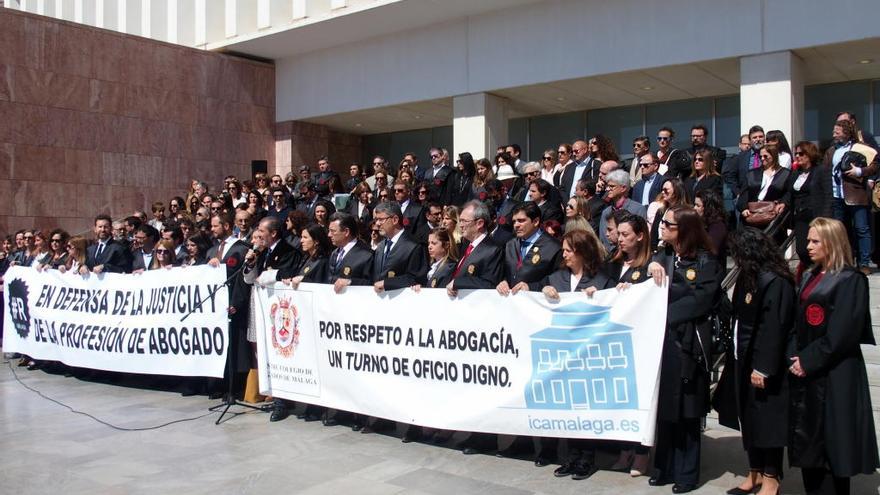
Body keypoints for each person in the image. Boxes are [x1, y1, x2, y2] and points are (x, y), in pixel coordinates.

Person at [788, 217, 880, 494]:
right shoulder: (810, 275)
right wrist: (794, 355)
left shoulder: (851, 281)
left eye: (816, 241)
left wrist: (808, 360)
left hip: (836, 374)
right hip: (807, 371)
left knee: (832, 449)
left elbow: (844, 332)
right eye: (808, 241)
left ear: (832, 242)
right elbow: (797, 321)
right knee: (810, 447)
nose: (809, 246)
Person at [647, 205, 720, 493]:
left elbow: (702, 300)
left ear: (685, 230)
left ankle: (687, 473)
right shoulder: (662, 256)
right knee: (665, 408)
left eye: (668, 224)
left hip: (689, 344)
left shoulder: (706, 260)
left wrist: (663, 312)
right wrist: (650, 267)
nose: (661, 227)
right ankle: (663, 467)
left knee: (688, 412)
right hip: (662, 344)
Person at [723, 227, 795, 495]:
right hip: (742, 356)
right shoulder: (748, 277)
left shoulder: (775, 281)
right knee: (749, 420)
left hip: (763, 365)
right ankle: (753, 471)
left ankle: (771, 476)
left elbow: (774, 327)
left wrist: (763, 367)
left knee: (768, 424)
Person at [540, 228, 613, 480]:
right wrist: (544, 291)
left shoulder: (602, 280)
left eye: (569, 250)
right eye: (564, 250)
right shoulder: (556, 277)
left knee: (586, 405)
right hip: (562, 353)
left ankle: (587, 457)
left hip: (589, 353)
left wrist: (599, 298)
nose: (565, 254)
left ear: (582, 252)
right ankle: (571, 456)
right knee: (568, 405)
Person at [606, 213, 654, 477]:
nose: (620, 239)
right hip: (614, 342)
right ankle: (624, 449)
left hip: (639, 343)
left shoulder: (650, 266)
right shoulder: (612, 264)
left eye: (625, 235)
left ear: (640, 235)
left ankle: (641, 453)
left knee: (639, 399)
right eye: (618, 234)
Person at [826, 119, 877, 274]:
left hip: (855, 194)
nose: (834, 134)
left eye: (837, 131)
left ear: (847, 133)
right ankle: (845, 261)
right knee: (840, 230)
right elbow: (825, 169)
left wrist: (860, 172)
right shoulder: (832, 150)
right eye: (834, 131)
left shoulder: (861, 148)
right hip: (836, 195)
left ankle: (864, 263)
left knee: (861, 228)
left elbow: (875, 165)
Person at [497, 202, 562, 296]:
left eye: (521, 220)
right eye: (514, 221)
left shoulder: (553, 248)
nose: (516, 225)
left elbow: (558, 280)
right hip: (510, 303)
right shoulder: (510, 244)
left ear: (535, 221)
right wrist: (503, 281)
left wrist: (531, 287)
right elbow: (506, 272)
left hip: (536, 304)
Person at [791, 141, 832, 280]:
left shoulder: (821, 170)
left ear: (809, 154)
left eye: (801, 153)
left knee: (816, 248)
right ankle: (812, 272)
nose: (797, 156)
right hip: (800, 216)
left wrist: (825, 217)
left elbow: (828, 194)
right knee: (801, 249)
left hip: (815, 215)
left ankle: (817, 274)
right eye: (796, 153)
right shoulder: (796, 173)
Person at [446, 200, 504, 295]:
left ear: (479, 223)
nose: (460, 225)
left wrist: (458, 283)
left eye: (464, 221)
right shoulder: (464, 245)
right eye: (460, 221)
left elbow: (490, 284)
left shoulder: (493, 249)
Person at [737, 145, 793, 241]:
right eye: (760, 156)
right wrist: (743, 208)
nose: (762, 159)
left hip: (772, 214)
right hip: (753, 214)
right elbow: (744, 193)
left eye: (765, 156)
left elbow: (789, 193)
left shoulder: (786, 174)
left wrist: (783, 202)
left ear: (774, 156)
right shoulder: (752, 173)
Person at [597, 170, 646, 249]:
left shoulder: (638, 209)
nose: (607, 189)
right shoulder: (606, 212)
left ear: (623, 188)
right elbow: (603, 238)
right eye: (607, 186)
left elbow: (641, 238)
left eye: (612, 186)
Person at [649, 178, 689, 250]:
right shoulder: (660, 211)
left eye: (666, 190)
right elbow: (654, 234)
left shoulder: (685, 213)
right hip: (658, 251)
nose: (662, 192)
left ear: (676, 192)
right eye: (662, 190)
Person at [694, 189, 729, 269]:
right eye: (695, 205)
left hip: (712, 269)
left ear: (708, 208)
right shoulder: (700, 222)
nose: (694, 208)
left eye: (698, 205)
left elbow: (712, 249)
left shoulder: (718, 226)